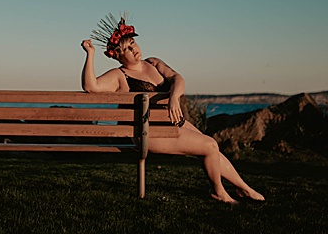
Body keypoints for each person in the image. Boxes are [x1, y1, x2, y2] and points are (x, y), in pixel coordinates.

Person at [81, 13, 264, 204]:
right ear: (117, 55)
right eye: (126, 48)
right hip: (147, 132)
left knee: (212, 150)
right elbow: (90, 87)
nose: (133, 49)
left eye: (133, 44)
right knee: (209, 145)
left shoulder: (153, 62)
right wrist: (90, 55)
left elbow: (178, 78)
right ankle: (219, 192)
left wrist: (174, 97)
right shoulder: (119, 75)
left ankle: (244, 189)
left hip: (172, 122)